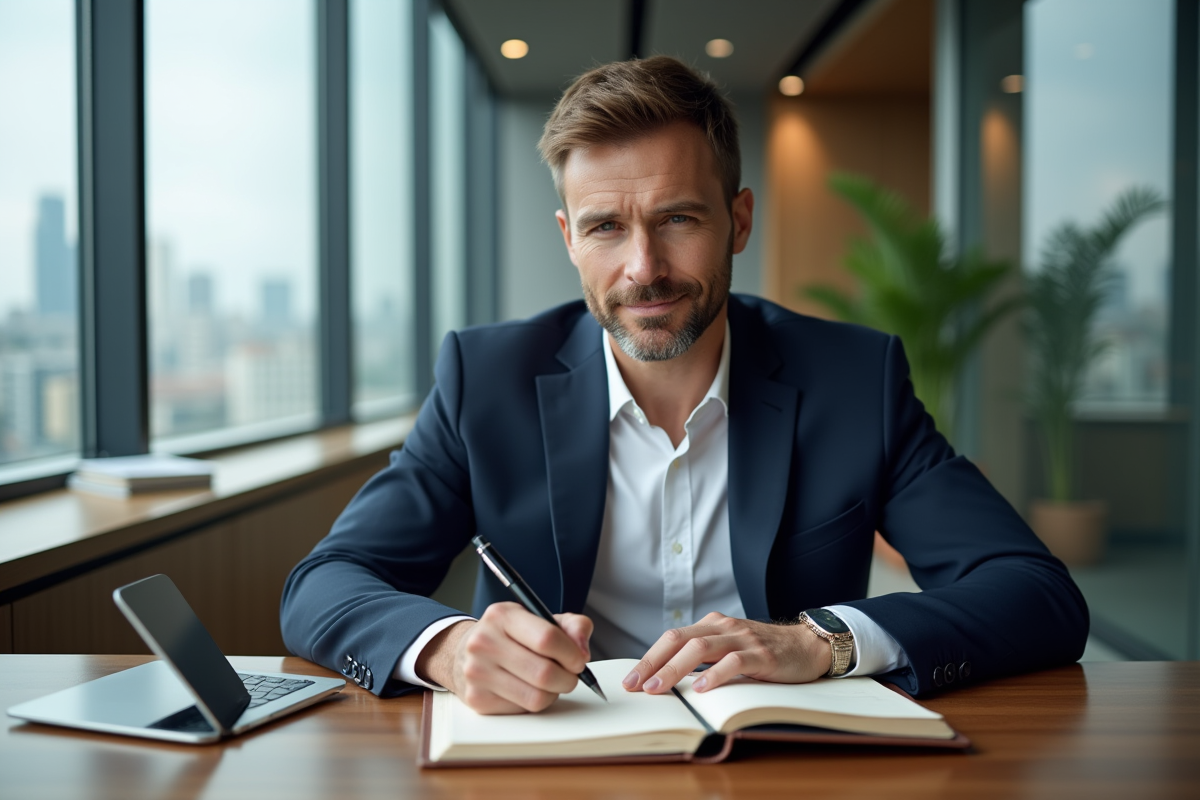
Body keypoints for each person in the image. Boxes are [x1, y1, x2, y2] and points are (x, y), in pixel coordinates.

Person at [281, 56, 1088, 715]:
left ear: (737, 221)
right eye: (606, 227)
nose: (644, 269)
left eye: (678, 219)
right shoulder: (484, 379)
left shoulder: (854, 379)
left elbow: (1036, 595)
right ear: (569, 239)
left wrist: (824, 642)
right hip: (556, 761)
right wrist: (451, 649)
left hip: (780, 764)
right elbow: (325, 585)